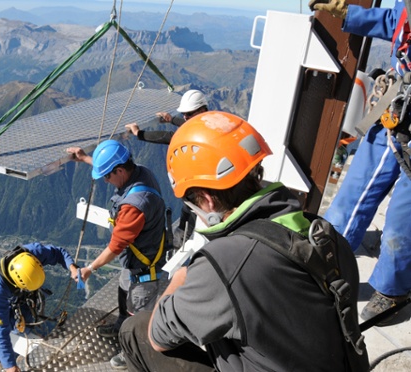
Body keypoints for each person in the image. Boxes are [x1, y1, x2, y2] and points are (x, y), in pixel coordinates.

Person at [118, 111, 369, 371]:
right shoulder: (322, 232)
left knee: (134, 330)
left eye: (191, 203)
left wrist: (181, 278)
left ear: (207, 200)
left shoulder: (224, 265)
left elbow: (158, 336)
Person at [310, 0, 411, 324]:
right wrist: (350, 13)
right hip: (398, 106)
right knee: (354, 193)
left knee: (403, 217)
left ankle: (391, 289)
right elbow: (396, 21)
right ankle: (328, 265)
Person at [67, 139, 168, 370]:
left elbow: (116, 246)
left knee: (139, 315)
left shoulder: (134, 205)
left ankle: (133, 352)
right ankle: (121, 326)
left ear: (120, 171)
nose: (105, 181)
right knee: (124, 294)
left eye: (107, 176)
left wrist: (89, 269)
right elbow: (113, 169)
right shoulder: (140, 173)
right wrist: (85, 158)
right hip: (133, 263)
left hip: (144, 269)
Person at [0, 242, 79, 372]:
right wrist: (9, 365)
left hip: (22, 294)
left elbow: (57, 252)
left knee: (25, 320)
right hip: (5, 292)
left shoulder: (34, 253)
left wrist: (72, 267)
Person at [124, 89, 209, 247]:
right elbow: (189, 123)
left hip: (199, 192)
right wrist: (172, 119)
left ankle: (174, 248)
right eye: (184, 114)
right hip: (203, 188)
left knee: (186, 224)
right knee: (186, 218)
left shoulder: (196, 132)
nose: (185, 117)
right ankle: (175, 244)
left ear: (201, 110)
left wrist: (139, 134)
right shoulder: (209, 122)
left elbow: (170, 137)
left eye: (189, 113)